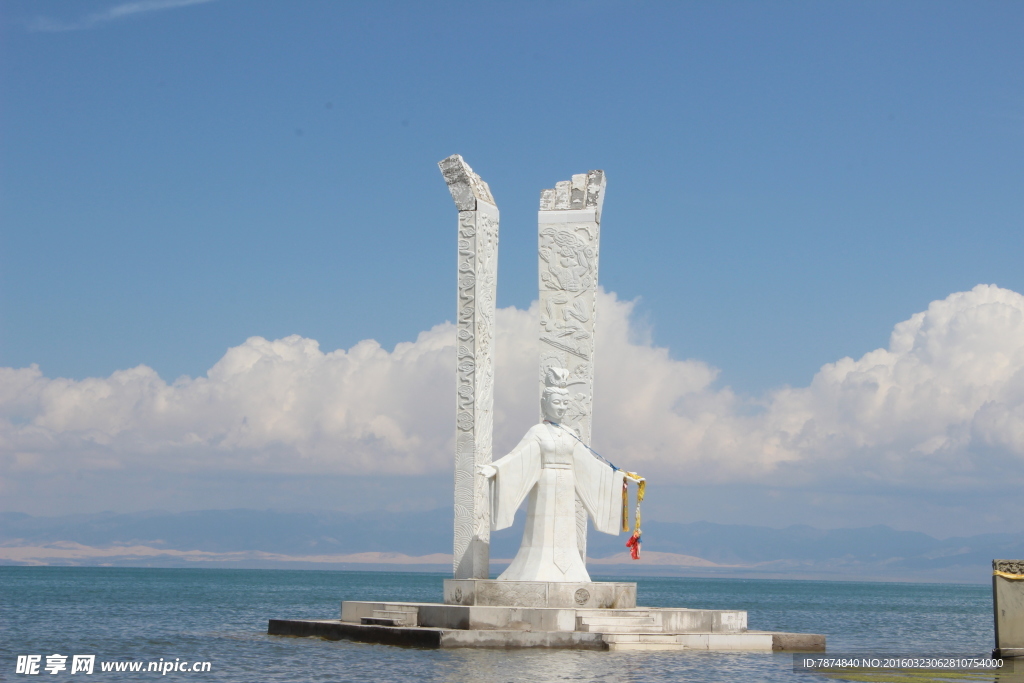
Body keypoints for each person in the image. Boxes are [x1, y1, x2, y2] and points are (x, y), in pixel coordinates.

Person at [480, 367, 625, 582]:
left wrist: (619, 476)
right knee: (542, 528)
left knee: (566, 529)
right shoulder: (537, 432)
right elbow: (518, 456)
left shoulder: (570, 433)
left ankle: (570, 567)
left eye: (565, 404)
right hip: (545, 482)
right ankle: (535, 565)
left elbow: (588, 462)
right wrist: (497, 468)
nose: (561, 408)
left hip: (567, 483)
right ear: (544, 404)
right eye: (557, 403)